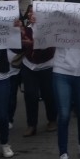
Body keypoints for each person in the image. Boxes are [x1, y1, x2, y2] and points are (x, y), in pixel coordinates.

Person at [52, 0, 80, 159]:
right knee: (64, 114)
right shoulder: (56, 22)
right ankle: (63, 154)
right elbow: (43, 37)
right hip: (61, 71)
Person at [19, 8, 57, 137]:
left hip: (47, 66)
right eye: (29, 12)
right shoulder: (25, 29)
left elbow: (51, 46)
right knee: (30, 95)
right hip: (29, 66)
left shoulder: (50, 28)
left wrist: (32, 44)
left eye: (34, 12)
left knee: (49, 94)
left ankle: (52, 120)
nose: (31, 14)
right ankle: (31, 125)